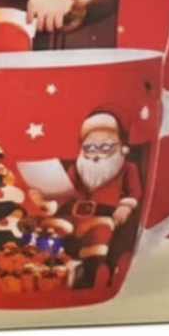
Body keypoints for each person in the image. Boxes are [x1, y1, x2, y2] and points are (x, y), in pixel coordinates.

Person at [27, 110, 142, 288]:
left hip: (101, 216)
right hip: (70, 215)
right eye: (90, 147)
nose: (96, 153)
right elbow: (64, 193)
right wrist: (46, 202)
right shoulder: (77, 168)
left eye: (104, 147)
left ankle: (91, 277)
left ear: (120, 145)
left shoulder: (127, 168)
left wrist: (125, 207)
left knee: (98, 237)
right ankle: (46, 273)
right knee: (51, 230)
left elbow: (133, 193)